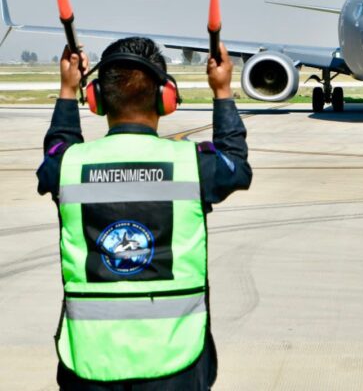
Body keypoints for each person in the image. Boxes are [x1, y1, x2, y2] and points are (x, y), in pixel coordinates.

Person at [37, 37, 252, 390]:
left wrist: (66, 90)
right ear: (165, 98)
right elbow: (236, 166)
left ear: (97, 100)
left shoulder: (68, 165)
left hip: (89, 361)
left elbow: (57, 147)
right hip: (175, 360)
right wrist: (223, 91)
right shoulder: (192, 164)